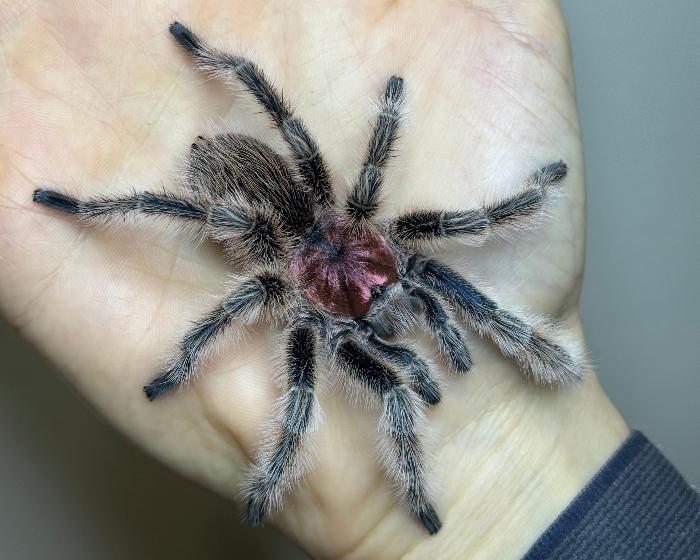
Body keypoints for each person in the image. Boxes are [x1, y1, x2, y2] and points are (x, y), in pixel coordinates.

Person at [0, 1, 697, 558]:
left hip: (310, 222)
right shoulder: (284, 290)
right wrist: (189, 360)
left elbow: (474, 220)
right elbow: (289, 134)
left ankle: (538, 356)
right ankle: (93, 205)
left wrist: (526, 195)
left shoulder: (388, 240)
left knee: (460, 265)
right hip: (263, 219)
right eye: (383, 297)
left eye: (387, 294)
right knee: (351, 370)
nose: (389, 306)